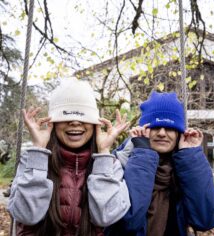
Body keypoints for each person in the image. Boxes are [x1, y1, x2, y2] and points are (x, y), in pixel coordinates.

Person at [8, 78, 131, 236]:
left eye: (83, 117)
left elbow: (105, 217)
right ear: (53, 123)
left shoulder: (110, 165)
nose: (74, 122)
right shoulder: (32, 160)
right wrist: (38, 150)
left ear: (95, 124)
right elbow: (26, 215)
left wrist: (104, 152)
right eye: (65, 116)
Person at [104, 91, 214, 236]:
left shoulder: (187, 166)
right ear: (144, 131)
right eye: (155, 127)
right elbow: (128, 223)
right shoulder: (119, 162)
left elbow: (207, 220)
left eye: (170, 128)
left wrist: (189, 156)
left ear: (179, 133)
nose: (162, 133)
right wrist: (143, 154)